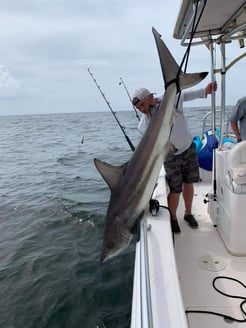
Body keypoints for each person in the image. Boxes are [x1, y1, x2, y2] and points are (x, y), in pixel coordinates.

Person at [132, 82, 217, 233]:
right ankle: (173, 218)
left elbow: (184, 95)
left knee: (189, 183)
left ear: (151, 97)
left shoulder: (170, 99)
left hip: (188, 149)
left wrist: (205, 91)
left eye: (143, 105)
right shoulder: (143, 126)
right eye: (138, 108)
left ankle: (188, 214)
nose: (142, 110)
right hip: (170, 157)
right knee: (175, 190)